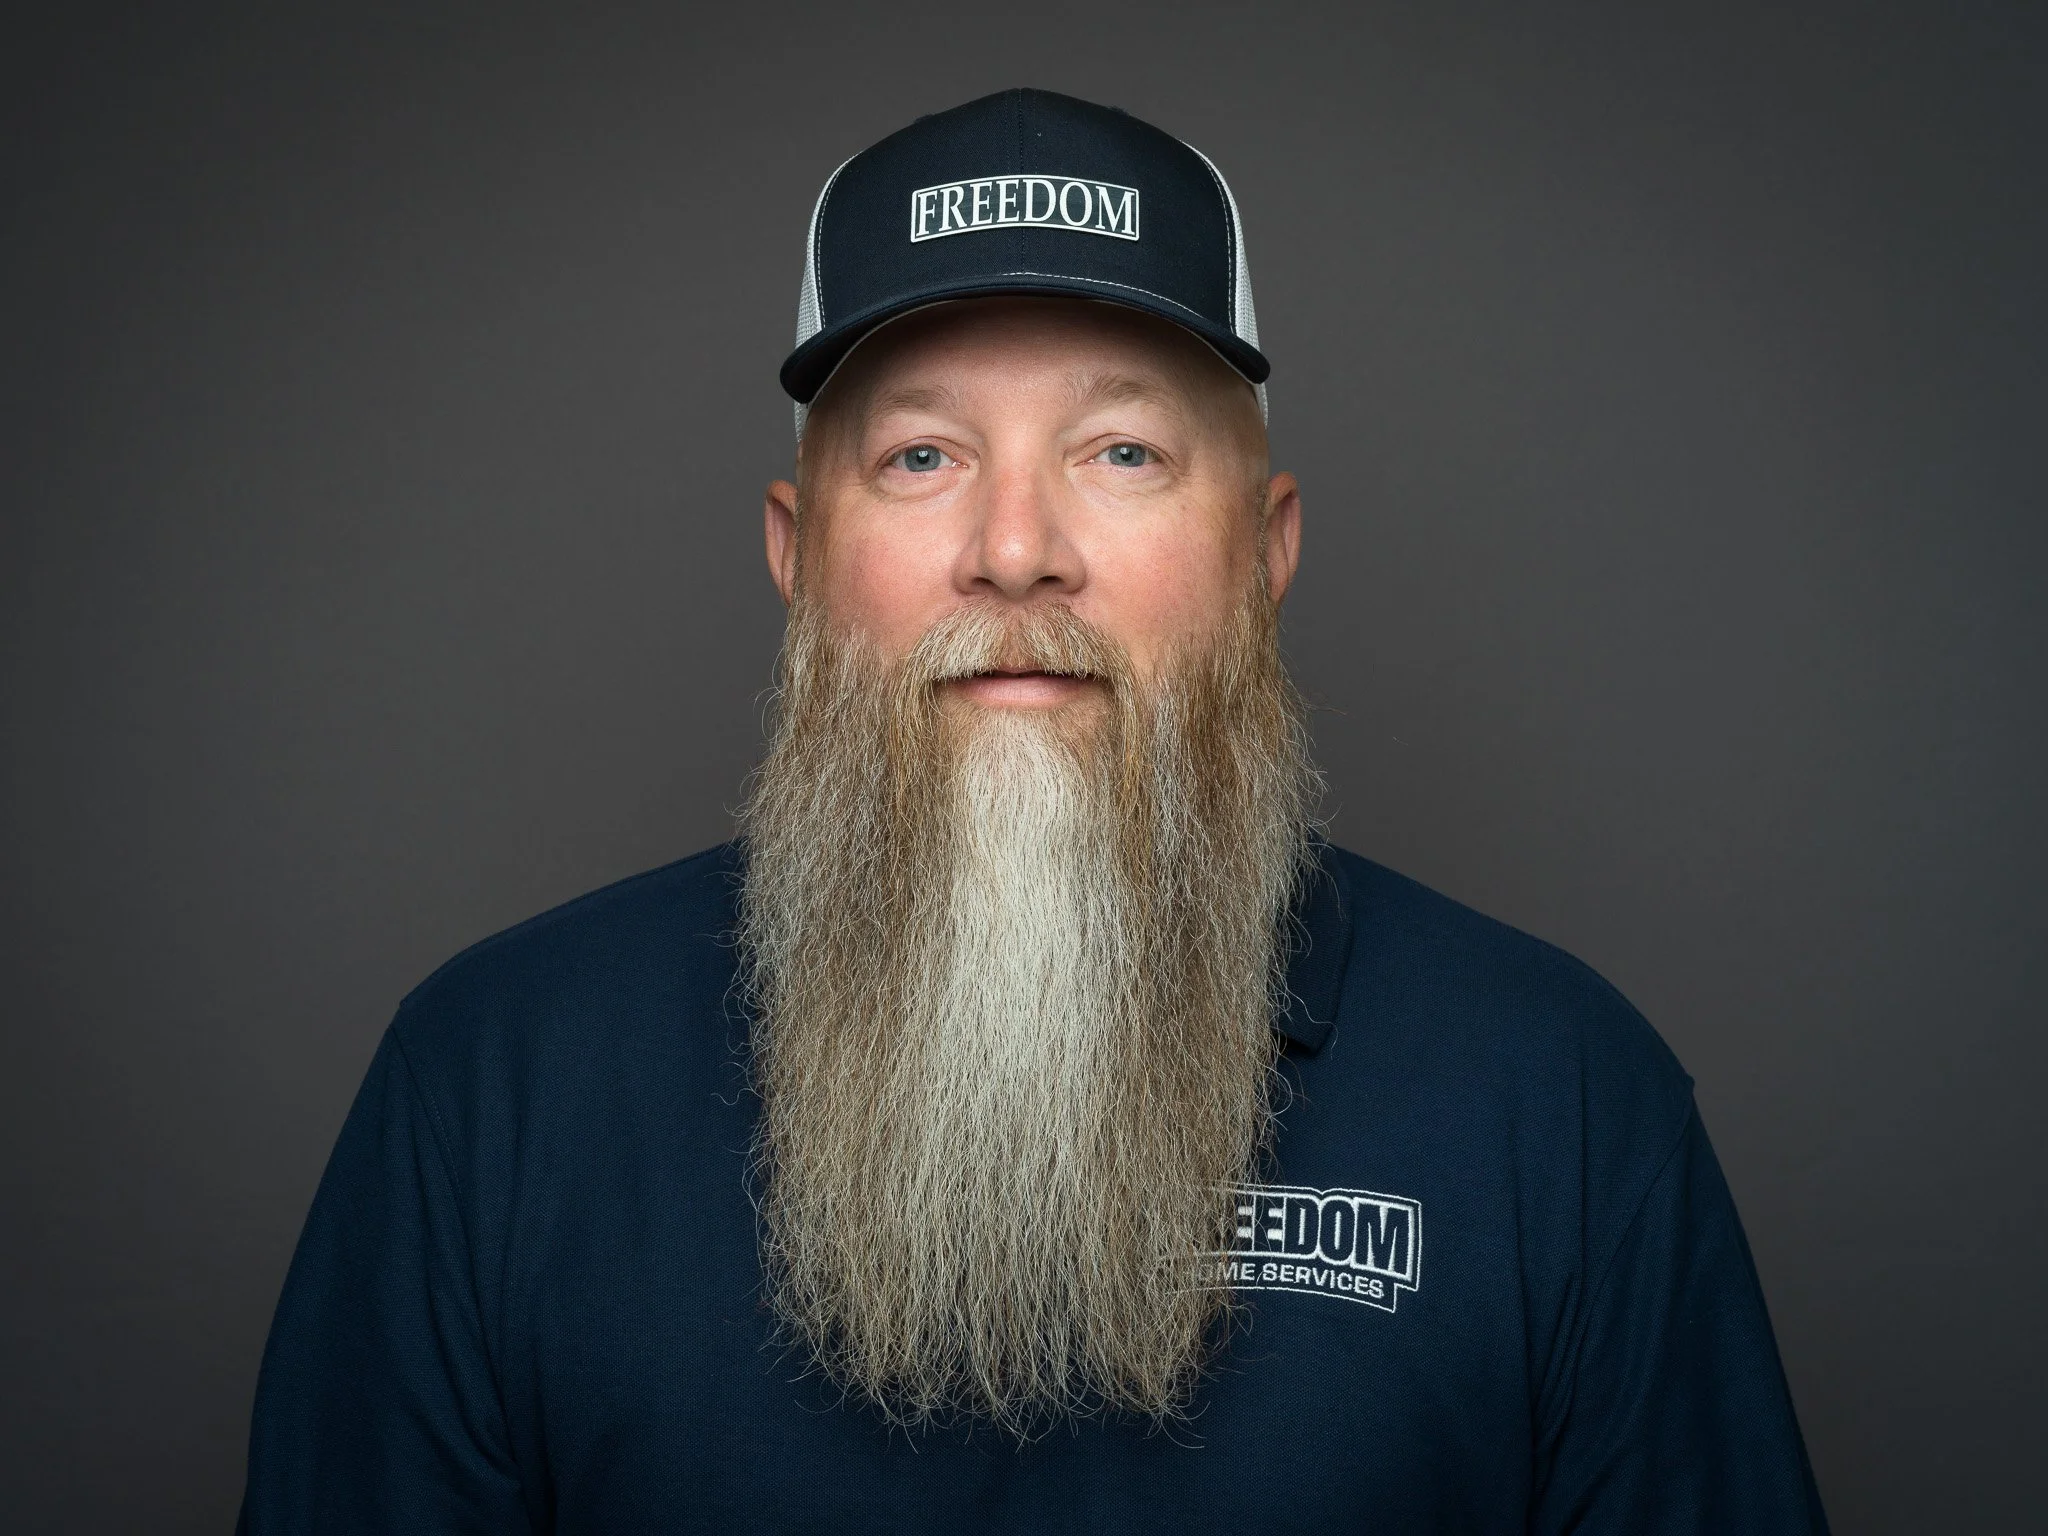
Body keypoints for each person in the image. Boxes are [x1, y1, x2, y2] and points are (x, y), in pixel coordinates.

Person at [239, 88, 1830, 1533]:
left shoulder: (1558, 1098)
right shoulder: (491, 1087)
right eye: (923, 454)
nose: (1015, 549)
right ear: (798, 559)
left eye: (1122, 451)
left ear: (1264, 555)